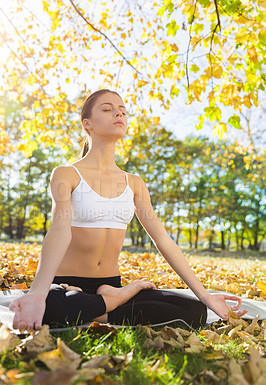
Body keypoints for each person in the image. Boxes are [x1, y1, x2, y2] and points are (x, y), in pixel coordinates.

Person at [9, 89, 248, 334]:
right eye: (107, 108)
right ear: (87, 124)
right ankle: (118, 299)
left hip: (110, 283)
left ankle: (101, 304)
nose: (119, 113)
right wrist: (38, 294)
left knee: (194, 312)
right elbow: (59, 231)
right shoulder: (66, 174)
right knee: (50, 307)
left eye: (122, 110)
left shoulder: (133, 183)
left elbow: (164, 241)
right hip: (67, 285)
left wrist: (207, 297)